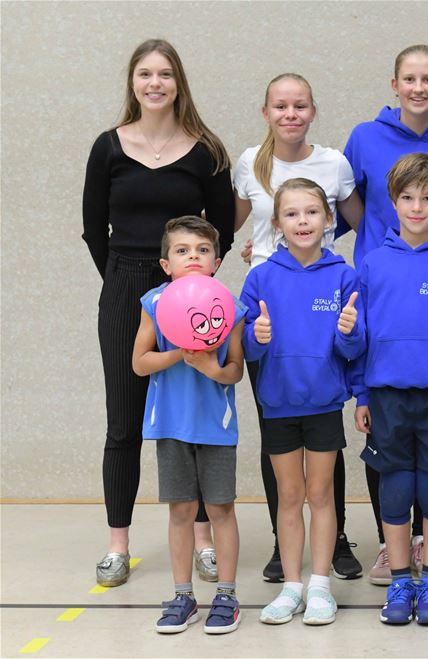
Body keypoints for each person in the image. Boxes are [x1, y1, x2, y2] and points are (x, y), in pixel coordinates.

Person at [82, 38, 234, 588]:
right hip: (125, 286)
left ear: (178, 83)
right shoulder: (108, 147)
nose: (155, 83)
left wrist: (187, 288)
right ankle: (117, 545)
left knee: (193, 421)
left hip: (191, 297)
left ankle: (203, 541)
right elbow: (93, 228)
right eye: (145, 73)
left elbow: (222, 229)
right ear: (133, 82)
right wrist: (125, 284)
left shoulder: (206, 150)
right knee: (123, 422)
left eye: (165, 74)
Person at [343, 45, 428, 582]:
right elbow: (342, 205)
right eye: (409, 78)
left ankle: (427, 552)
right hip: (388, 339)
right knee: (391, 466)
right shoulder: (365, 138)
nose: (419, 87)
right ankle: (393, 551)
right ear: (394, 83)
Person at [233, 72, 364, 583]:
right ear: (265, 111)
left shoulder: (334, 163)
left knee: (325, 445)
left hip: (321, 313)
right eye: (280, 105)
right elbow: (228, 223)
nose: (290, 114)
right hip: (271, 315)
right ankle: (283, 548)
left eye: (300, 105)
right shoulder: (250, 162)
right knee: (281, 443)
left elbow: (365, 221)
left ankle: (334, 544)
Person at [350, 153, 428, 626]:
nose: (417, 207)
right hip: (386, 395)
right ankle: (401, 580)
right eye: (407, 198)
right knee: (396, 487)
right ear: (393, 202)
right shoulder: (373, 262)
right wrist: (362, 394)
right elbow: (360, 336)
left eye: (427, 198)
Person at [240, 178, 365, 626]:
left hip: (324, 405)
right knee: (289, 497)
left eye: (312, 212)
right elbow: (245, 347)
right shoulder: (260, 277)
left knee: (321, 495)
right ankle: (292, 587)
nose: (303, 221)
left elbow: (354, 349)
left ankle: (320, 586)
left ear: (328, 218)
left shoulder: (344, 276)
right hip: (278, 405)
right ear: (276, 223)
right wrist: (256, 337)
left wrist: (348, 332)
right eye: (291, 214)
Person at [134, 217, 246, 634]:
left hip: (215, 427)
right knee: (181, 510)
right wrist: (180, 354)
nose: (193, 257)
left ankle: (227, 595)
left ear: (216, 261)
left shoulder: (230, 306)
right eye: (182, 251)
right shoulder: (154, 303)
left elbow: (235, 371)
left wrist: (210, 367)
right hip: (171, 426)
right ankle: (183, 596)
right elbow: (139, 362)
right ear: (167, 265)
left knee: (220, 509)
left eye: (202, 250)